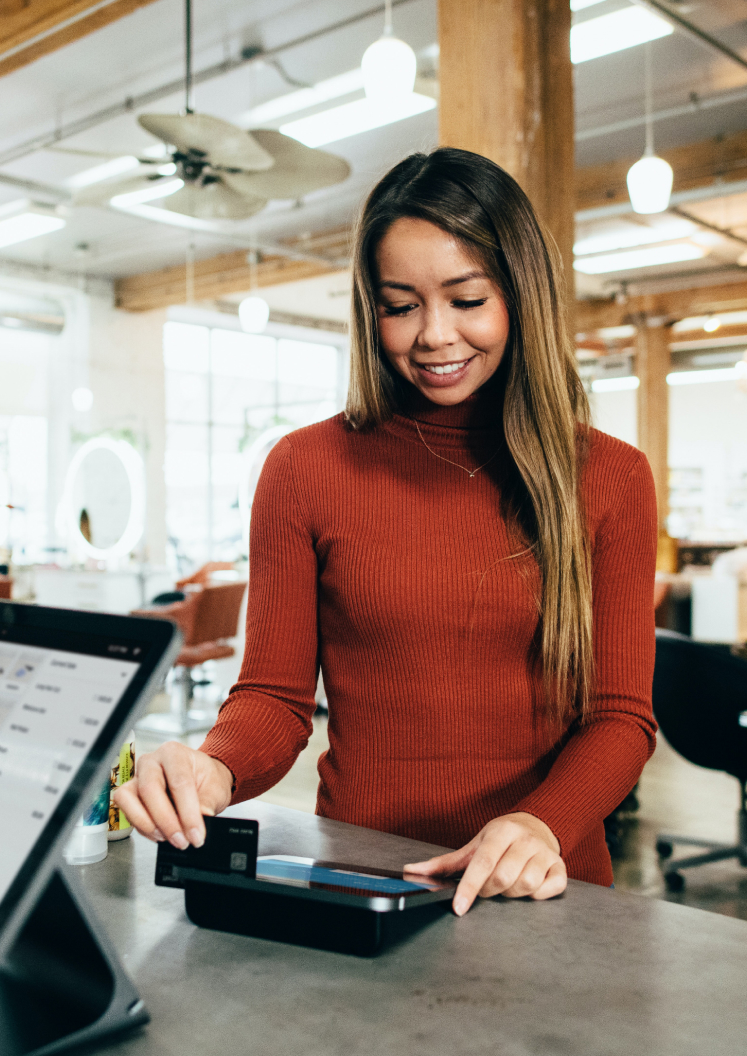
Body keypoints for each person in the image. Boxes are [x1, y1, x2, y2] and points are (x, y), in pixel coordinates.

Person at [115, 149, 658, 914]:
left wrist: (542, 823)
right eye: (400, 305)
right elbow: (273, 697)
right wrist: (214, 768)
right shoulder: (304, 468)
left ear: (522, 296)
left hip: (544, 891)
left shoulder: (611, 478)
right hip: (361, 882)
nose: (434, 336)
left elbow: (621, 718)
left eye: (468, 300)